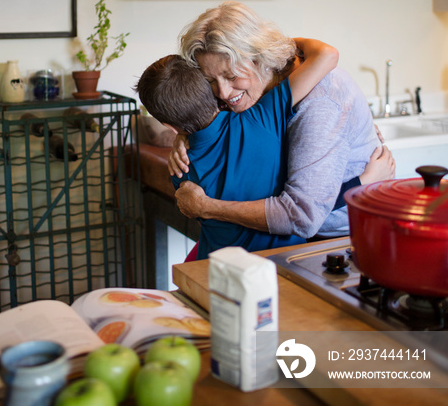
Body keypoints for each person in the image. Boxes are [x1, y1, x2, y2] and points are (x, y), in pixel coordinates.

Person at [169, 1, 395, 242]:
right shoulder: (255, 89)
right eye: (210, 80)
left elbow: (302, 215)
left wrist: (206, 207)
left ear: (259, 58)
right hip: (291, 230)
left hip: (341, 236)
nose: (223, 93)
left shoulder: (319, 103)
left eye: (232, 76)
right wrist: (184, 136)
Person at [136, 34, 338, 259]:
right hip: (284, 265)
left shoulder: (181, 171)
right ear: (210, 91)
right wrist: (275, 43)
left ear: (169, 127)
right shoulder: (265, 114)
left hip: (217, 268)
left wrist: (182, 136)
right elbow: (326, 55)